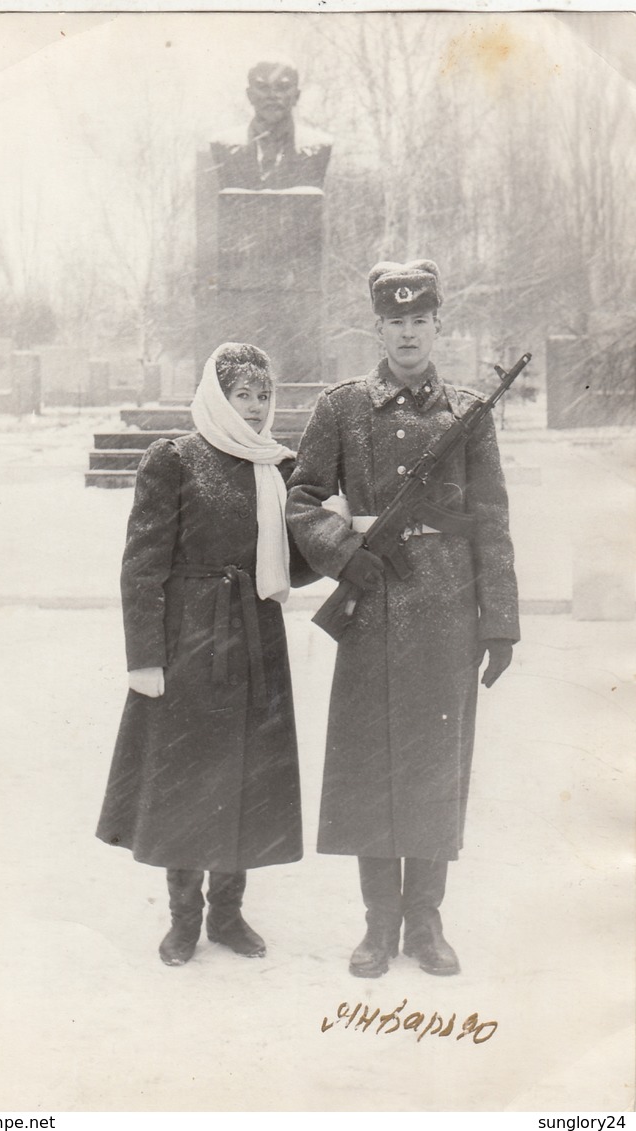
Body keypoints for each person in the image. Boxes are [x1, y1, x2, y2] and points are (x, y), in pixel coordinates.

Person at [286, 260, 520, 979]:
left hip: (447, 610)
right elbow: (301, 499)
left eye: (421, 321)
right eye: (396, 322)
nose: (409, 333)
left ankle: (425, 918)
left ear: (437, 325)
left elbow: (491, 518)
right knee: (368, 764)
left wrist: (500, 621)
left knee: (433, 765)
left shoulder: (469, 412)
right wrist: (344, 553)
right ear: (378, 327)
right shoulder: (341, 409)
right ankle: (378, 922)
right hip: (372, 607)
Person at [97, 342, 309, 967]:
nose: (253, 408)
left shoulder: (277, 467)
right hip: (192, 641)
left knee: (248, 778)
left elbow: (294, 563)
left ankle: (229, 915)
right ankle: (184, 919)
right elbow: (141, 566)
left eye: (263, 395)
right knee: (189, 780)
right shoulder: (175, 459)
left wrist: (341, 530)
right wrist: (146, 657)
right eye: (241, 394)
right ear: (218, 397)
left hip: (256, 638)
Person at [211, 58, 331, 190]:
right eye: (263, 87)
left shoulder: (319, 147)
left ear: (296, 96)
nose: (272, 95)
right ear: (250, 95)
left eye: (282, 87)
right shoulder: (223, 145)